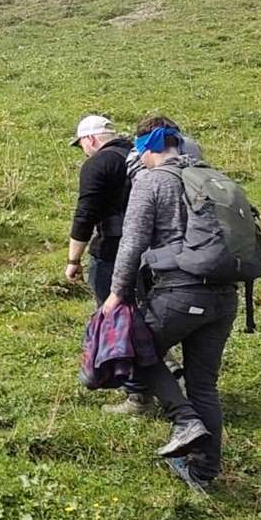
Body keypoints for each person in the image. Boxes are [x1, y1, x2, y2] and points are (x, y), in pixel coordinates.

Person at [102, 124, 235, 493]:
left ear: (149, 147)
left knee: (134, 348)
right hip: (225, 296)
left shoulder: (151, 181)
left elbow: (132, 243)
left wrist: (116, 293)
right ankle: (204, 473)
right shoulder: (209, 176)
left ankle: (184, 419)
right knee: (203, 384)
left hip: (180, 291)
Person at [67, 114, 147, 415]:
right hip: (153, 254)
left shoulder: (99, 163)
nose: (83, 151)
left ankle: (138, 394)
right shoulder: (140, 157)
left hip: (113, 252)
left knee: (118, 320)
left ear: (90, 139)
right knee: (142, 316)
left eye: (81, 146)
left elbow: (85, 213)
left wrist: (73, 259)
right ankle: (166, 374)